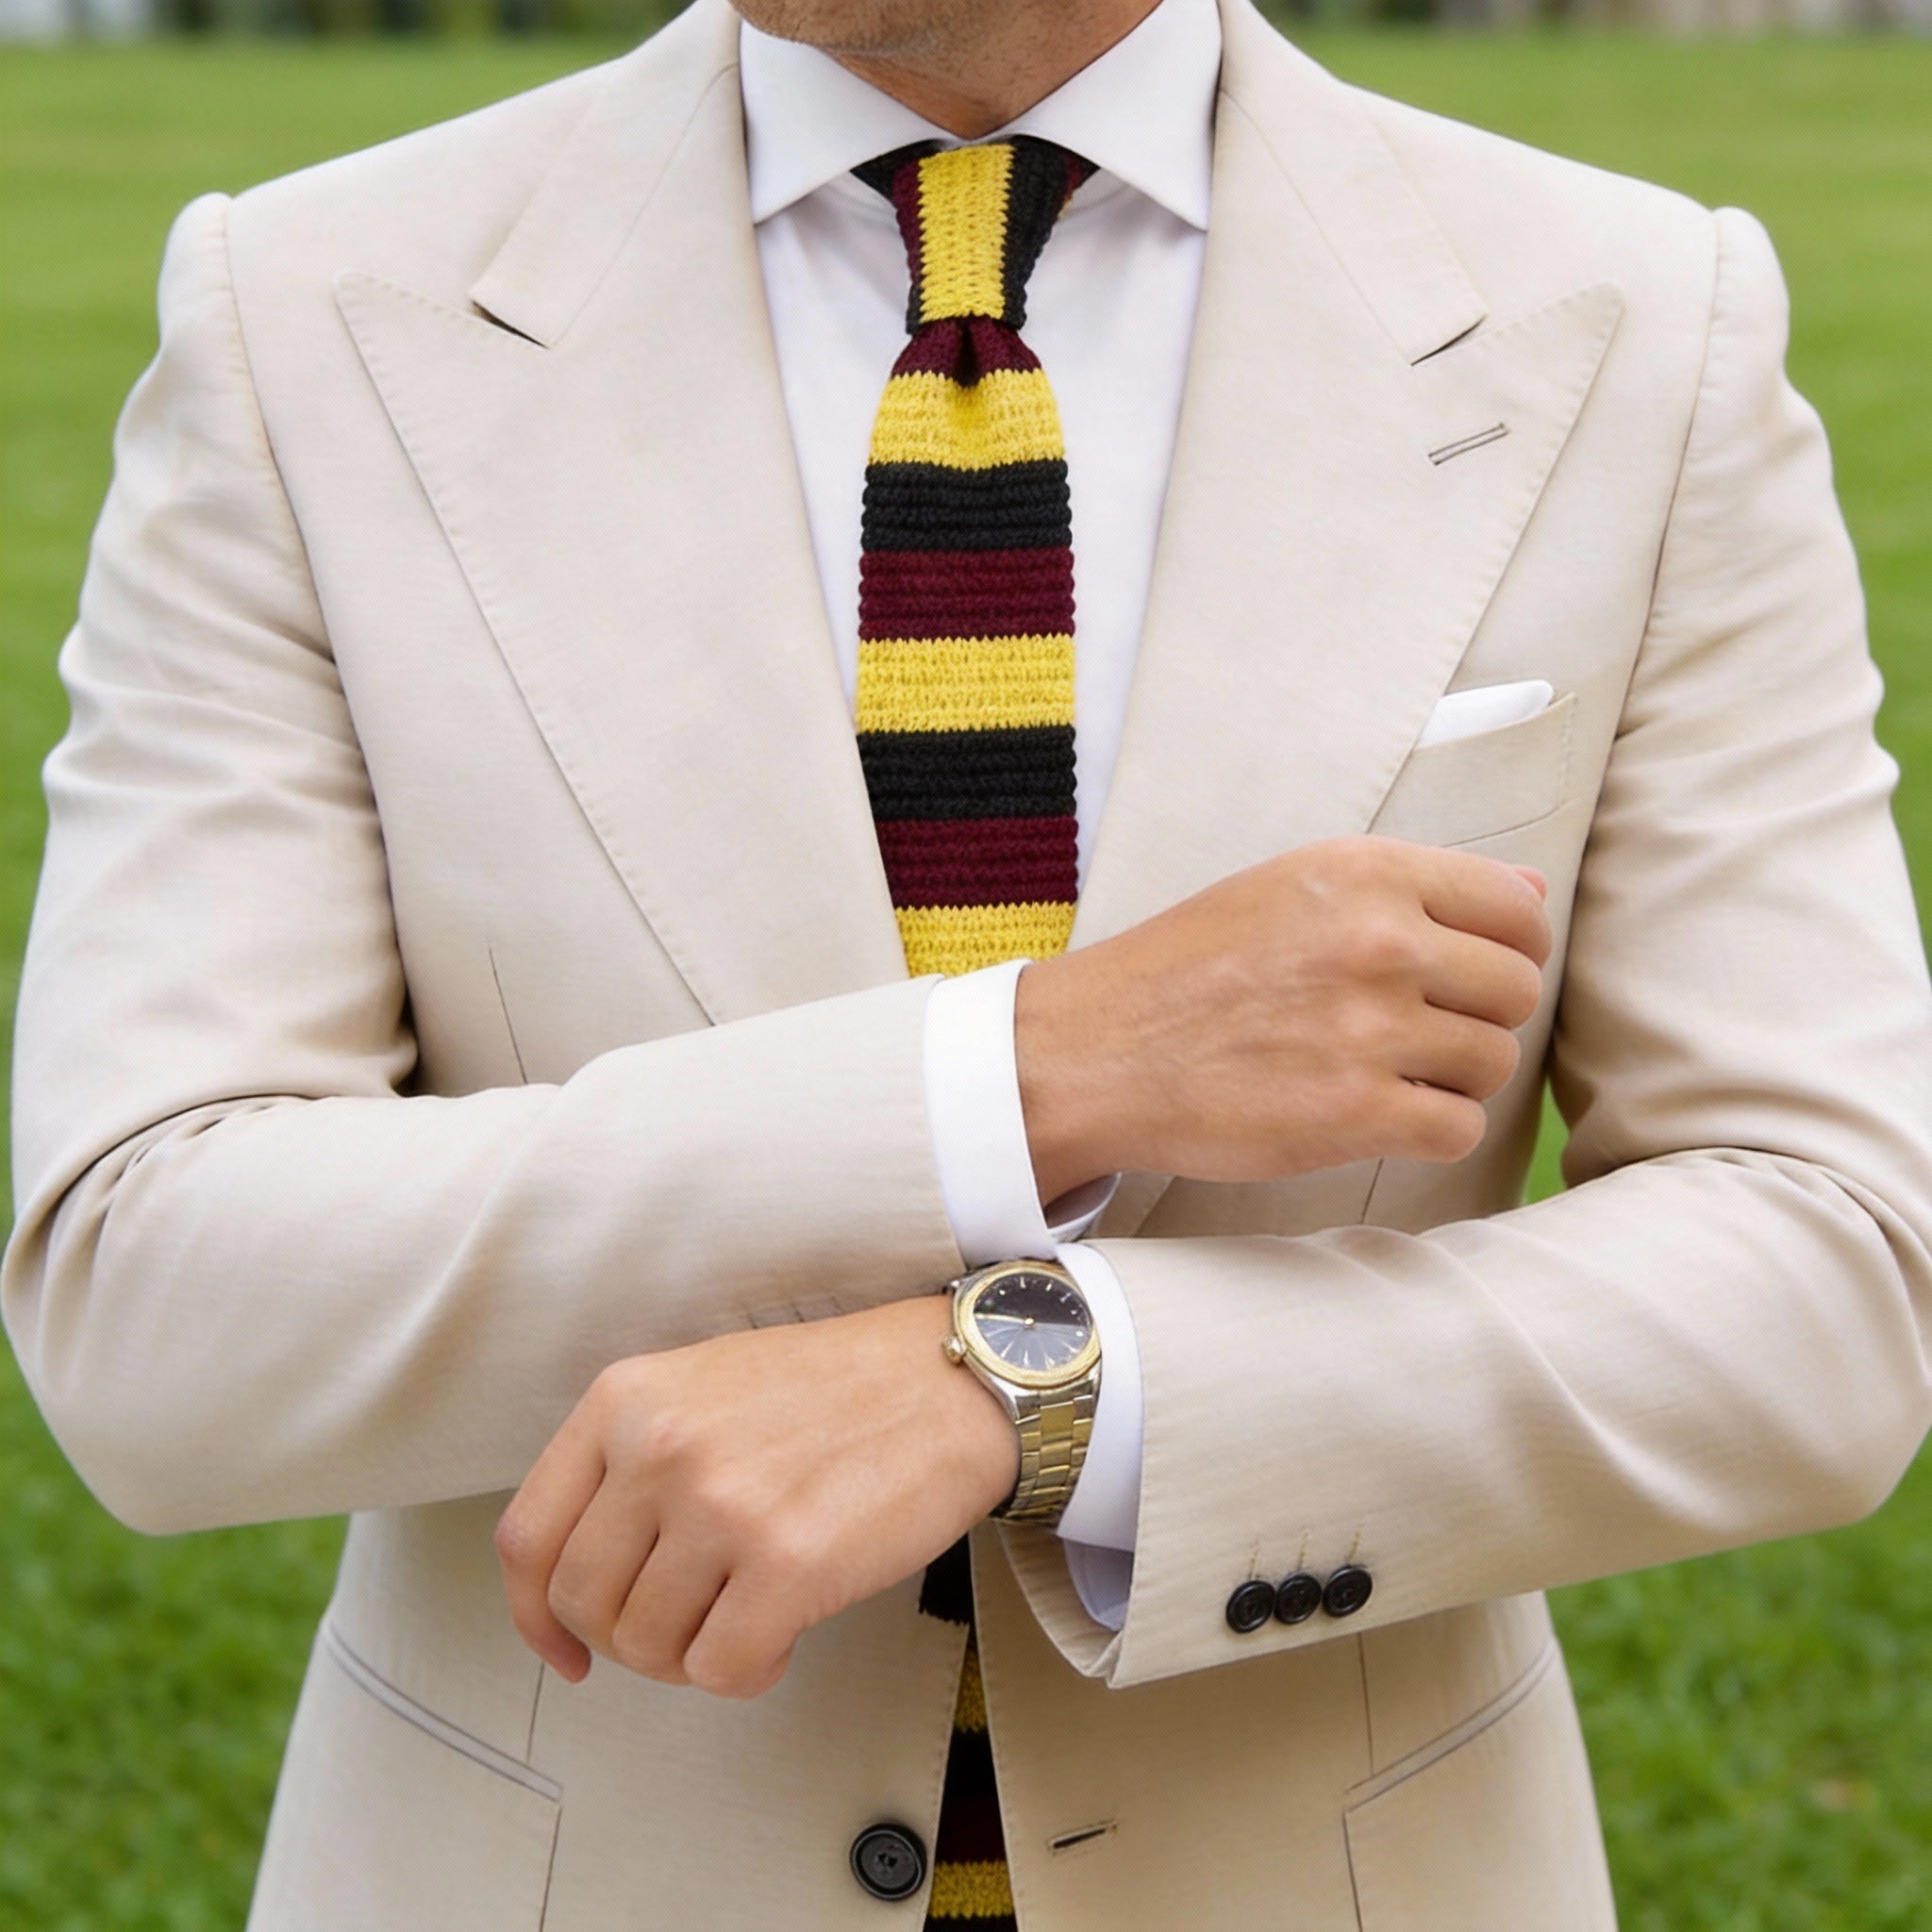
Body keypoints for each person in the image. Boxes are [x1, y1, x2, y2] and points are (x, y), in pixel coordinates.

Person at [8, 0, 1932, 1923]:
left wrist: (1035, 1387)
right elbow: (142, 1286)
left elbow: (1833, 1267)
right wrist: (1031, 1072)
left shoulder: (1639, 315)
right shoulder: (303, 308)